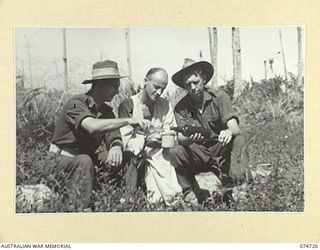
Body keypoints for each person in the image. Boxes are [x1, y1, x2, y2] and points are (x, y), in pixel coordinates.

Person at [47, 60, 151, 210]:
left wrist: (116, 146)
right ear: (100, 84)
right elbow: (92, 126)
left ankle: (129, 203)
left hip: (87, 161)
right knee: (84, 160)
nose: (117, 91)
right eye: (114, 86)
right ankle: (80, 209)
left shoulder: (106, 111)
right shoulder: (75, 104)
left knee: (127, 157)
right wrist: (129, 120)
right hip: (60, 160)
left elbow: (114, 135)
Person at [169, 58, 252, 204]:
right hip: (199, 152)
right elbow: (181, 137)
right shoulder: (180, 108)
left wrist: (228, 131)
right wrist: (191, 139)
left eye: (196, 82)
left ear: (204, 79)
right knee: (176, 150)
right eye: (188, 84)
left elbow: (234, 127)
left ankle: (239, 185)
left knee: (239, 139)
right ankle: (189, 191)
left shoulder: (219, 97)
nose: (193, 87)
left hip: (220, 147)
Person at [118, 68, 182, 205]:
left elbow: (171, 132)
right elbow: (125, 139)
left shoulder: (165, 105)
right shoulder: (128, 105)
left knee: (165, 157)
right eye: (156, 87)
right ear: (145, 81)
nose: (159, 92)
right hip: (136, 154)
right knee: (130, 154)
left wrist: (162, 138)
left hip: (158, 153)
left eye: (162, 89)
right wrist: (147, 139)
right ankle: (128, 199)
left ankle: (171, 198)